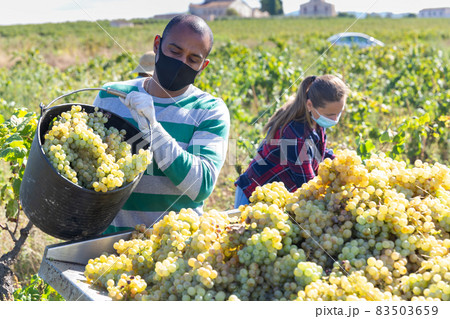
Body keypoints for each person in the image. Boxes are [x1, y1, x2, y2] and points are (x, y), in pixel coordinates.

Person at [93, 14, 230, 232]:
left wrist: (153, 129)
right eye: (175, 51)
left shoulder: (209, 110)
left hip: (172, 248)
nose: (181, 62)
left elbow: (201, 185)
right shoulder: (111, 96)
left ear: (203, 66)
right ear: (157, 45)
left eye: (192, 59)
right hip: (108, 244)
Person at [234, 75, 349, 208]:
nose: (335, 119)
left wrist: (343, 164)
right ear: (310, 105)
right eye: (330, 115)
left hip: (275, 198)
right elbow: (307, 184)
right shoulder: (296, 135)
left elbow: (319, 153)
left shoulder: (315, 120)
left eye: (339, 113)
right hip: (253, 196)